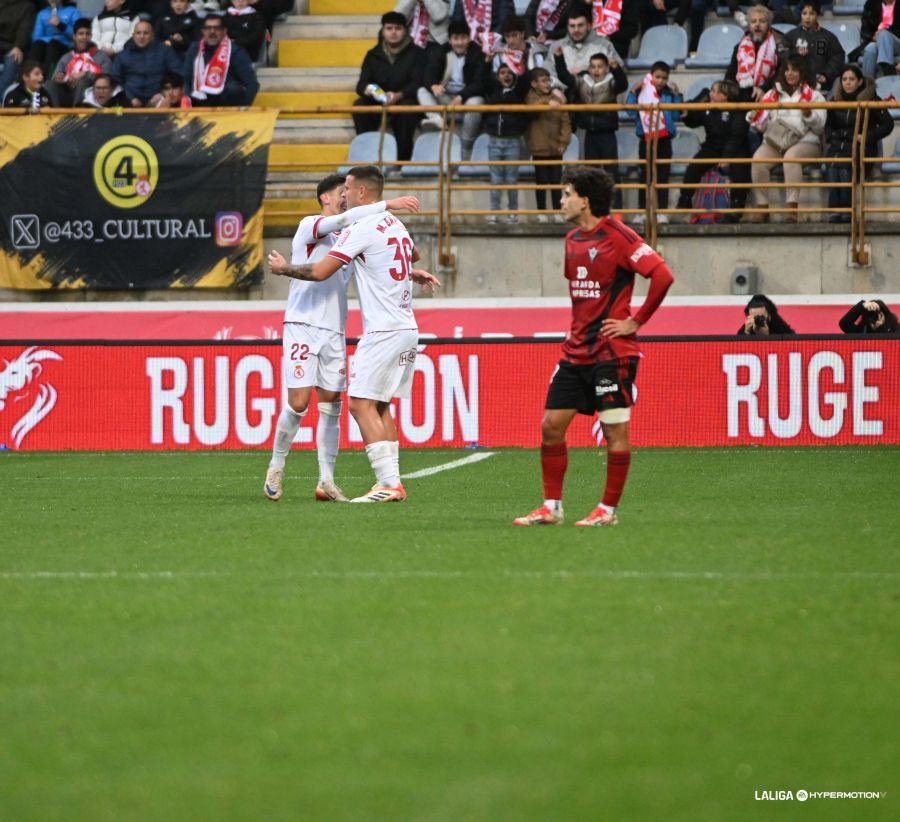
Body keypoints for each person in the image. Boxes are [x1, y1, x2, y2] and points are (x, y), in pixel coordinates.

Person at [266, 166, 442, 503]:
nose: (344, 194)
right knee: (372, 405)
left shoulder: (360, 230)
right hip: (394, 327)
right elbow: (407, 253)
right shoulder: (375, 225)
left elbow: (319, 271)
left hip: (372, 331)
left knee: (357, 404)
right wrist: (408, 268)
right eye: (339, 190)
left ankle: (376, 482)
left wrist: (281, 269)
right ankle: (280, 466)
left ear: (361, 193)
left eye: (347, 188)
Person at [513, 165, 674, 527]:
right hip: (576, 352)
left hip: (611, 354)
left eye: (567, 193)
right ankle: (551, 507)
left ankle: (608, 511)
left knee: (615, 430)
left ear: (585, 200)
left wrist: (636, 321)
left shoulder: (620, 236)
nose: (561, 200)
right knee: (551, 426)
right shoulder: (572, 240)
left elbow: (662, 275)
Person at [747, 54, 825, 223]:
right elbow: (762, 127)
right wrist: (754, 117)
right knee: (758, 160)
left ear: (802, 72)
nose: (790, 73)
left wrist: (809, 114)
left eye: (795, 70)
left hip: (807, 141)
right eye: (787, 69)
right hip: (777, 141)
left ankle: (792, 209)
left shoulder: (814, 95)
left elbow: (819, 127)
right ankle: (762, 208)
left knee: (791, 157)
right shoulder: (771, 95)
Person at [553, 49, 627, 209]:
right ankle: (593, 209)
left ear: (606, 68)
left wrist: (617, 68)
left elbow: (623, 84)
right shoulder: (583, 81)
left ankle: (617, 210)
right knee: (590, 174)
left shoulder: (611, 82)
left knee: (611, 172)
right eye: (593, 66)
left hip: (607, 134)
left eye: (600, 66)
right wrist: (559, 58)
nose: (596, 70)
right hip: (590, 134)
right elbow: (566, 78)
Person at [824, 64, 893, 222]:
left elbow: (887, 124)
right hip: (837, 147)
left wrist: (867, 136)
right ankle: (835, 211)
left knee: (845, 168)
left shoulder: (872, 99)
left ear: (860, 81)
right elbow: (828, 126)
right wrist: (832, 137)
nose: (847, 83)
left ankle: (847, 211)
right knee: (832, 167)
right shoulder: (835, 101)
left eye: (851, 79)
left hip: (862, 148)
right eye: (844, 79)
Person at [352, 12, 423, 162]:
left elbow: (418, 82)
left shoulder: (416, 53)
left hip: (404, 99)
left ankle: (402, 160)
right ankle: (368, 155)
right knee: (359, 106)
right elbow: (361, 84)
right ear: (383, 31)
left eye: (398, 28)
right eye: (389, 28)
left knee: (405, 110)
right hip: (379, 100)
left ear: (405, 30)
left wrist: (399, 95)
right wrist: (371, 91)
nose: (393, 32)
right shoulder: (373, 55)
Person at [676, 79, 751, 219]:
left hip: (736, 148)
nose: (710, 94)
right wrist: (687, 116)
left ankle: (737, 207)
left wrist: (726, 158)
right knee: (695, 165)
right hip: (713, 146)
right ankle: (685, 198)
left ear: (725, 95)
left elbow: (736, 136)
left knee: (740, 169)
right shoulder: (708, 107)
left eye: (715, 91)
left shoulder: (739, 110)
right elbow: (694, 120)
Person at [626, 60, 682, 223]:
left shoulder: (670, 94)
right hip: (646, 139)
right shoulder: (641, 92)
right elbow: (630, 112)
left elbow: (677, 116)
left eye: (664, 78)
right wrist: (632, 92)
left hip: (664, 140)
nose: (660, 81)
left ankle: (662, 212)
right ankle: (642, 211)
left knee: (663, 176)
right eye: (657, 77)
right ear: (651, 76)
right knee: (645, 176)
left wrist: (677, 97)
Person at [418, 18, 485, 151]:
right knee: (422, 91)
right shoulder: (441, 51)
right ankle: (437, 120)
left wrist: (461, 96)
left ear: (469, 38)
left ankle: (466, 145)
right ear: (449, 40)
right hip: (446, 99)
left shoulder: (477, 53)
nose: (459, 43)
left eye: (463, 38)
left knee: (476, 102)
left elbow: (480, 83)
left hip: (466, 100)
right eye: (455, 38)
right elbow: (427, 74)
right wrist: (434, 86)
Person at [483, 62, 528, 221]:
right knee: (495, 180)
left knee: (511, 180)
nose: (506, 76)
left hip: (512, 141)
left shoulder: (517, 93)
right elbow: (483, 78)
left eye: (510, 73)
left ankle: (513, 213)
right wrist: (486, 61)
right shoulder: (492, 92)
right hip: (494, 141)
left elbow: (524, 79)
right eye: (502, 72)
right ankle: (495, 212)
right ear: (497, 76)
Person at [183, 13, 259, 106]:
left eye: (217, 28)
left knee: (233, 88)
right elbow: (186, 78)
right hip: (200, 100)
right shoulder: (194, 49)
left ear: (224, 31)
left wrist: (244, 107)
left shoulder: (235, 51)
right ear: (202, 31)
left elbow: (251, 83)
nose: (212, 32)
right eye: (208, 28)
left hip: (226, 103)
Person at [526, 66, 572, 218]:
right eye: (543, 81)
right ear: (534, 84)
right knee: (541, 182)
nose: (547, 84)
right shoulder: (530, 96)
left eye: (548, 80)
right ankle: (542, 213)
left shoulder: (557, 98)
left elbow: (565, 121)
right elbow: (532, 108)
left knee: (556, 182)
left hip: (555, 148)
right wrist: (547, 102)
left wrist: (563, 142)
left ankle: (557, 212)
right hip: (539, 149)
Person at [545, 4, 619, 91]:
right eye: (572, 26)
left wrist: (586, 72)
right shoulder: (556, 47)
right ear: (567, 27)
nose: (576, 30)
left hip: (597, 99)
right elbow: (548, 76)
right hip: (564, 99)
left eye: (580, 25)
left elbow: (617, 77)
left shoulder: (605, 46)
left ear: (589, 25)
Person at [111, 20, 183, 107]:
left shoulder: (165, 51)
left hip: (158, 98)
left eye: (146, 33)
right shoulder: (123, 55)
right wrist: (130, 97)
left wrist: (163, 93)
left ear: (152, 35)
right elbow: (115, 79)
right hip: (130, 99)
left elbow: (178, 73)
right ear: (133, 36)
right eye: (138, 33)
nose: (142, 36)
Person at [726, 4, 788, 102]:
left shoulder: (779, 44)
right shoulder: (739, 47)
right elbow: (730, 75)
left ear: (768, 25)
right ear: (749, 25)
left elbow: (782, 72)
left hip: (771, 93)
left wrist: (763, 89)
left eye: (762, 21)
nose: (757, 24)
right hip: (743, 95)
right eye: (753, 21)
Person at [48, 17, 111, 107]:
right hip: (66, 94)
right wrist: (60, 78)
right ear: (74, 36)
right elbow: (55, 78)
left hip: (89, 97)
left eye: (87, 34)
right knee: (49, 84)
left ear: (91, 36)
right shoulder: (66, 57)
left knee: (82, 82)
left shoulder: (102, 56)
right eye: (81, 34)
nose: (84, 37)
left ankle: (77, 116)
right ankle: (54, 115)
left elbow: (106, 80)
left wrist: (85, 74)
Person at [785, 1, 844, 91]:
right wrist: (796, 53)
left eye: (812, 13)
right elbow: (781, 52)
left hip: (820, 85)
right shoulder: (791, 35)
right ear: (800, 15)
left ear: (818, 15)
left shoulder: (828, 37)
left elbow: (838, 56)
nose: (807, 17)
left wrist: (827, 74)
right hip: (795, 86)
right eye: (804, 13)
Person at [29, 0, 81, 73]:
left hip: (65, 45)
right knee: (37, 46)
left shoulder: (73, 11)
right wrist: (48, 39)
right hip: (46, 44)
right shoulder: (42, 13)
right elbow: (36, 37)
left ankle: (47, 78)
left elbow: (79, 35)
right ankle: (29, 77)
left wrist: (60, 25)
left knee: (53, 45)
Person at [0, 0, 37, 98]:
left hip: (13, 47)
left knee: (13, 59)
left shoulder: (27, 7)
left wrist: (18, 46)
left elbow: (24, 29)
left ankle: (2, 101)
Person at [858, 0, 900, 78]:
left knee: (884, 34)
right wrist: (872, 37)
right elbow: (866, 30)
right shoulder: (871, 4)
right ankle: (868, 84)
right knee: (870, 49)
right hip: (876, 41)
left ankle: (887, 70)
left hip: (897, 43)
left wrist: (884, 33)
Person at [450, 0, 516, 38]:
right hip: (468, 44)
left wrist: (488, 39)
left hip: (494, 41)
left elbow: (506, 22)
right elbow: (457, 23)